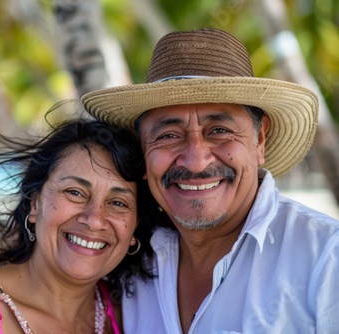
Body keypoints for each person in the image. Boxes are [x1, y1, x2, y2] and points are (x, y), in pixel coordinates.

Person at [82, 28, 339, 333]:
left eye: (219, 130)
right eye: (168, 136)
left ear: (259, 139)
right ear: (143, 151)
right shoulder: (125, 265)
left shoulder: (327, 258)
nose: (196, 160)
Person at [0, 110, 159, 334]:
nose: (94, 219)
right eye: (74, 192)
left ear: (134, 228)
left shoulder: (126, 312)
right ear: (34, 203)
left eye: (118, 203)